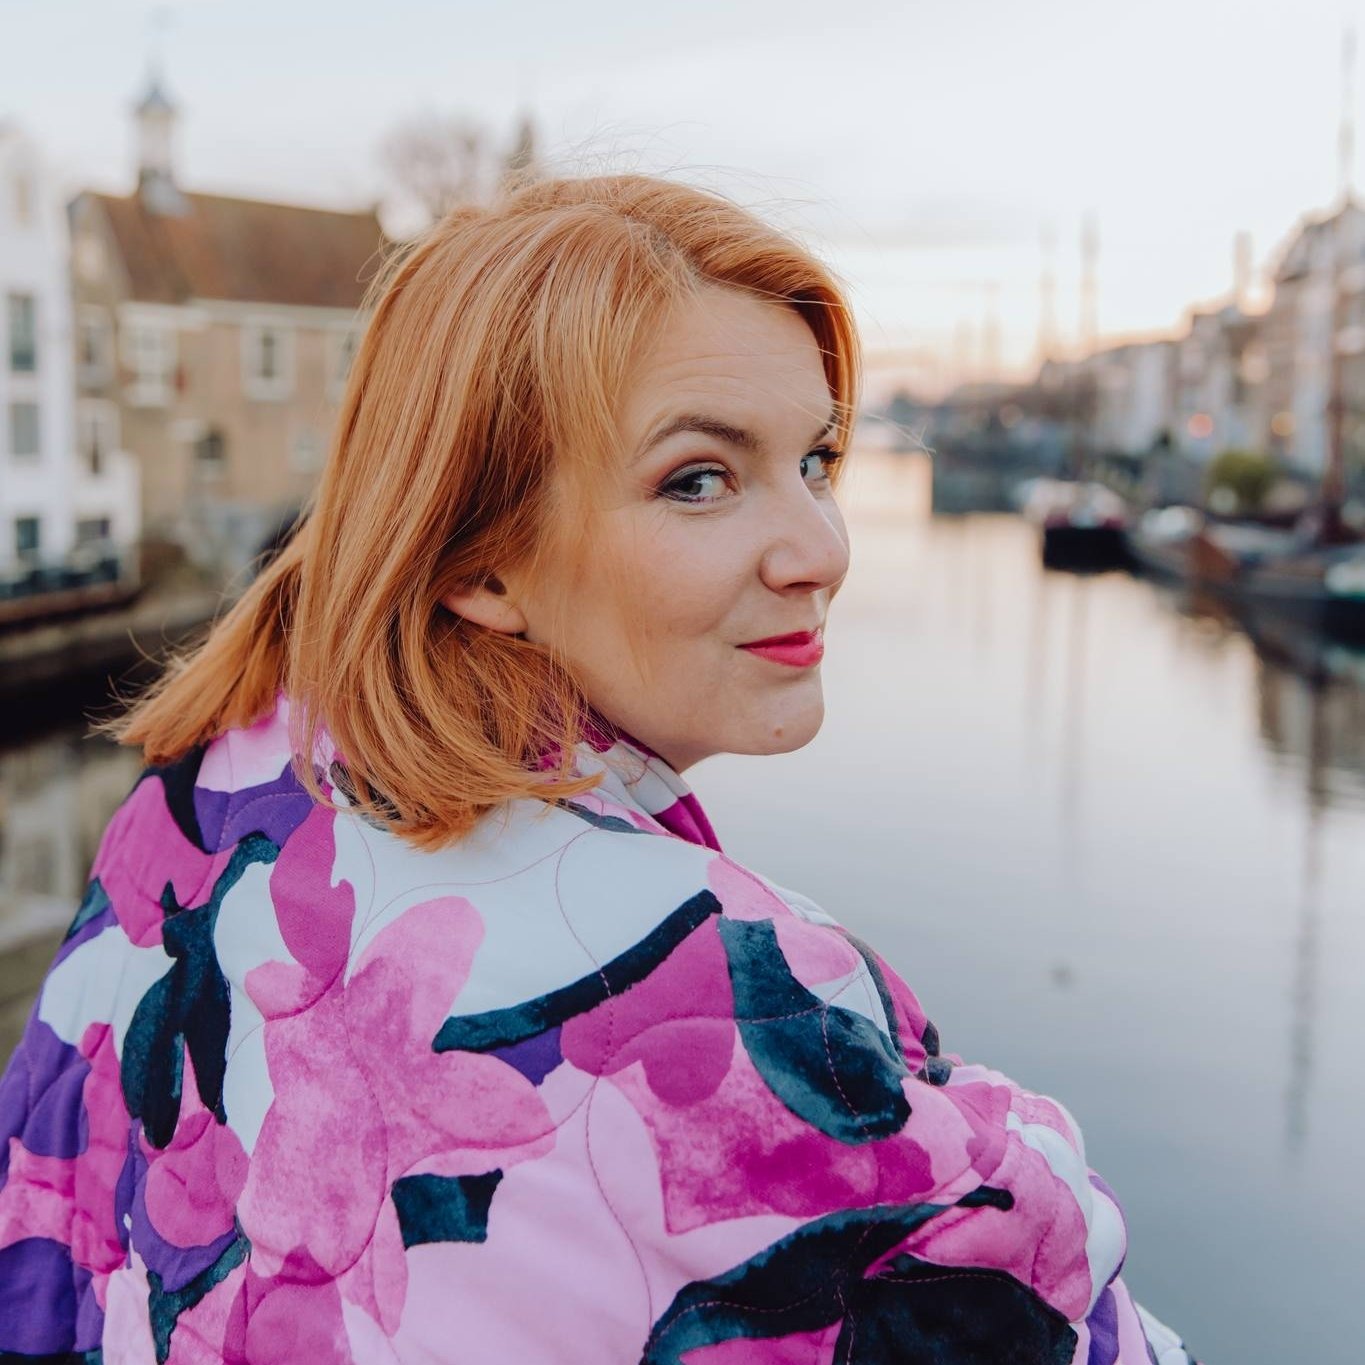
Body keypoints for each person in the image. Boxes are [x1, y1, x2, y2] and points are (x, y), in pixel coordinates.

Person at [0, 174, 1198, 1363]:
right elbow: (1053, 1314)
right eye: (698, 480)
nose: (822, 549)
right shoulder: (709, 999)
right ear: (482, 565)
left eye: (817, 460)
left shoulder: (208, 786)